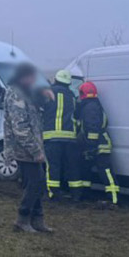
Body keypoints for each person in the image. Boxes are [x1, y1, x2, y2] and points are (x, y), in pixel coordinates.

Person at [3, 62, 52, 233]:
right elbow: (20, 128)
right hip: (23, 148)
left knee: (37, 182)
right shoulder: (16, 94)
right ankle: (22, 219)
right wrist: (35, 151)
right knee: (35, 182)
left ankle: (37, 220)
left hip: (32, 145)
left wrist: (44, 93)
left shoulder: (26, 92)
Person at [42, 70, 86, 201]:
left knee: (53, 165)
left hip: (52, 138)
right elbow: (77, 115)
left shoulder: (47, 92)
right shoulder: (72, 96)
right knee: (72, 166)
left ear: (55, 79)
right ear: (68, 83)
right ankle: (76, 194)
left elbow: (40, 110)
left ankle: (53, 193)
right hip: (70, 138)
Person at [76, 81, 119, 207]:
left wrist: (90, 146)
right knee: (85, 168)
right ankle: (85, 193)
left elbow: (92, 128)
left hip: (99, 145)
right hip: (96, 143)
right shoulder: (93, 104)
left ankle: (114, 198)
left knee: (105, 170)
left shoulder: (90, 107)